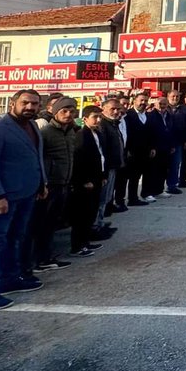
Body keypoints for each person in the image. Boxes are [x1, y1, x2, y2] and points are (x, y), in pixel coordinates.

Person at [0, 90, 48, 309]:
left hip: (26, 194)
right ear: (13, 103)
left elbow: (36, 156)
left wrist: (42, 182)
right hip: (2, 198)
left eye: (34, 104)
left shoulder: (33, 126)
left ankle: (10, 279)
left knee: (15, 238)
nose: (30, 107)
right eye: (25, 102)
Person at [34, 96, 82, 271]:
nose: (68, 114)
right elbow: (37, 159)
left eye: (72, 111)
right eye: (64, 111)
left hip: (64, 183)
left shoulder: (70, 131)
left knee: (53, 222)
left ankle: (47, 256)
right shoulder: (46, 132)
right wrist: (42, 183)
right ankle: (40, 260)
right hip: (50, 185)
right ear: (55, 112)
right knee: (43, 224)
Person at [70, 106, 108, 258]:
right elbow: (78, 160)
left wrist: (103, 175)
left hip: (97, 178)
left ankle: (85, 241)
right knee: (82, 215)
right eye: (94, 117)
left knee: (91, 212)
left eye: (100, 117)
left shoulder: (97, 133)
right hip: (86, 182)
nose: (98, 120)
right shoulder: (81, 135)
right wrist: (83, 181)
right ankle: (77, 246)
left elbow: (101, 156)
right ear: (85, 118)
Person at [93, 96, 124, 238]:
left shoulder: (113, 123)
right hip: (105, 168)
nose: (116, 111)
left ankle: (99, 223)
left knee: (106, 197)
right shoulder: (103, 125)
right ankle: (95, 227)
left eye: (118, 109)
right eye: (113, 109)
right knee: (101, 198)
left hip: (113, 166)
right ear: (103, 109)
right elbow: (101, 149)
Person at [169, 90, 186, 189]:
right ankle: (157, 188)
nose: (175, 98)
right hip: (165, 142)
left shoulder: (184, 109)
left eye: (177, 96)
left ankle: (174, 185)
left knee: (178, 164)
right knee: (163, 166)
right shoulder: (163, 107)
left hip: (179, 141)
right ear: (168, 97)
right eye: (173, 96)